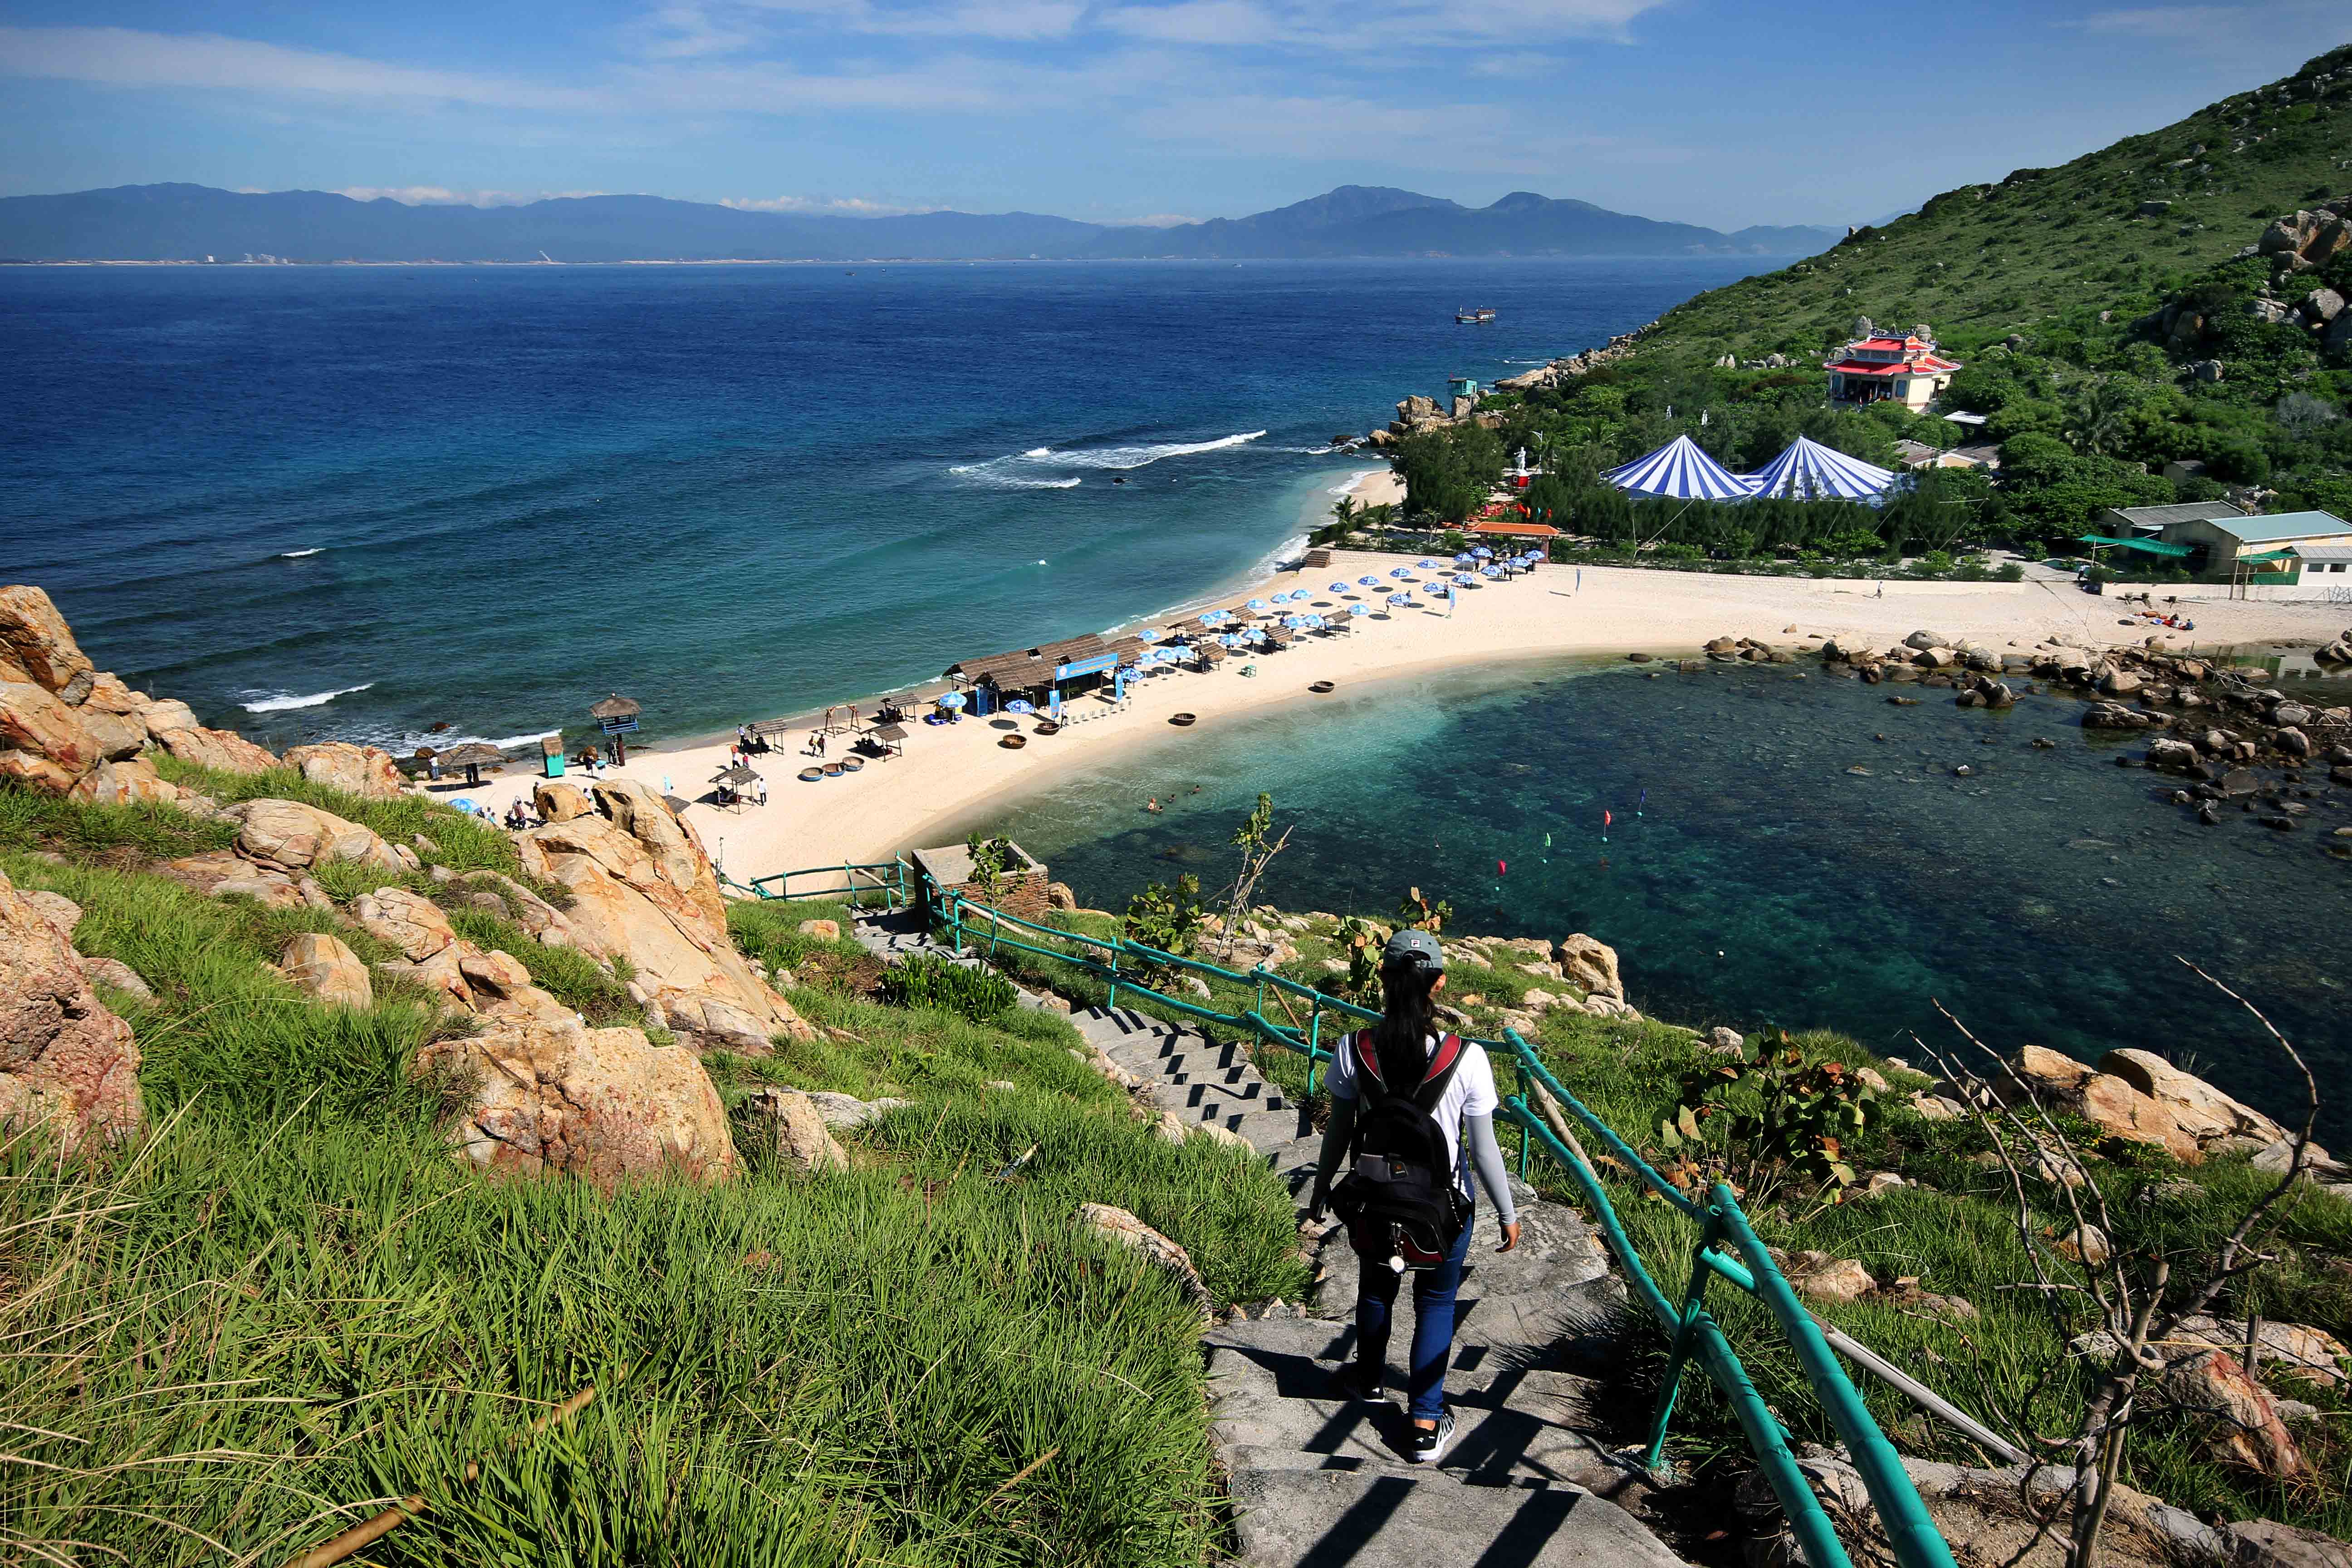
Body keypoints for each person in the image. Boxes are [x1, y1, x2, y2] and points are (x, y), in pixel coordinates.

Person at [1309, 929, 1519, 1465]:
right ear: (1439, 984)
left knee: (1377, 1291)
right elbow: (1484, 1148)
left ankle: (1369, 1381)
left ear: (1382, 978)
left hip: (1374, 1199)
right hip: (1443, 1207)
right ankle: (1425, 1423)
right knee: (1436, 1301)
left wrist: (1321, 1186)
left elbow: (1337, 1131)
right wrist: (1507, 1211)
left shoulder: (1354, 1048)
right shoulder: (1466, 1058)